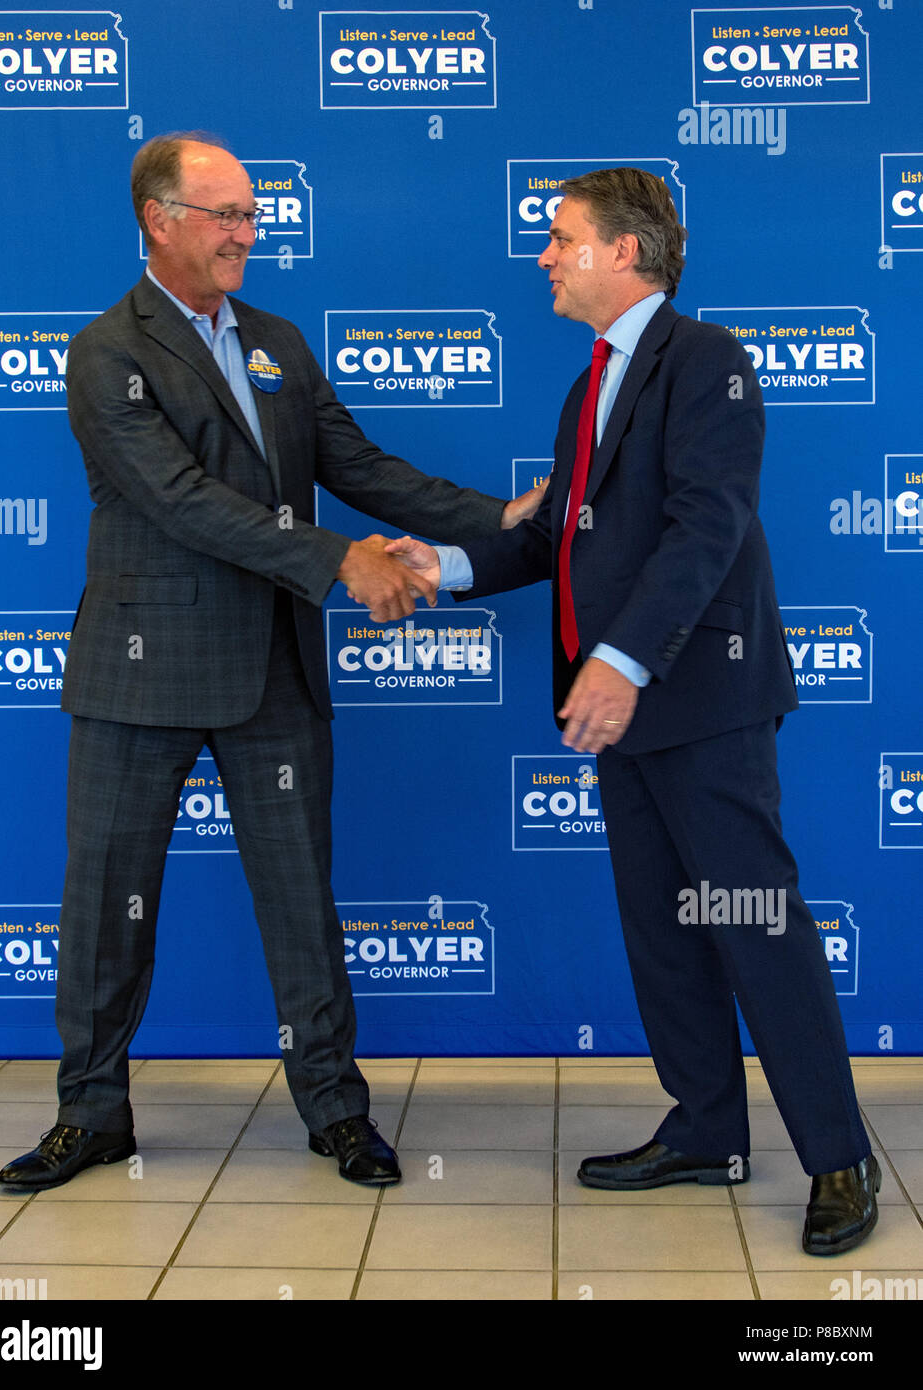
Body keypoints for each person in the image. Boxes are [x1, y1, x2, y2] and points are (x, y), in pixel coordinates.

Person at [0, 132, 539, 1193]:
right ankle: (92, 1113)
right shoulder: (108, 351)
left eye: (253, 214)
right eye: (227, 215)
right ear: (160, 221)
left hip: (274, 670)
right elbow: (182, 502)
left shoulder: (278, 340)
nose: (250, 233)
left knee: (301, 901)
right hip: (139, 672)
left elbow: (360, 463)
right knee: (108, 907)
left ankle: (336, 1110)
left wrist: (497, 518)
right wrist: (341, 559)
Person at [388, 167, 879, 1254]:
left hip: (696, 698)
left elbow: (707, 527)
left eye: (561, 238)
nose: (544, 257)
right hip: (620, 709)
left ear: (625, 251)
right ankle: (707, 1128)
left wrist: (618, 657)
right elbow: (555, 535)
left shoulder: (709, 363)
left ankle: (840, 1157)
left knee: (755, 927)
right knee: (664, 933)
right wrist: (449, 566)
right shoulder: (588, 384)